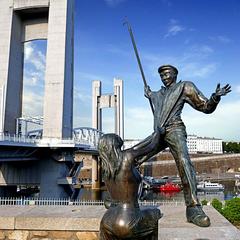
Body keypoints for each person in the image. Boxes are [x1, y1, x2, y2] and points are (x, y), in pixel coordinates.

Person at [144, 64, 231, 227]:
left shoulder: (184, 87)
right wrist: (148, 93)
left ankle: (193, 208)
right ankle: (120, 198)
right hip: (158, 133)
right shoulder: (157, 94)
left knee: (184, 162)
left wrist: (215, 97)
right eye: (161, 75)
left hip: (174, 130)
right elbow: (150, 94)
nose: (164, 77)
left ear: (175, 75)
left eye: (167, 74)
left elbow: (204, 107)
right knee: (131, 158)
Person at [98, 129, 163, 240]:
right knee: (155, 214)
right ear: (114, 144)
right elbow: (152, 147)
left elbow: (137, 147)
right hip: (127, 220)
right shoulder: (127, 157)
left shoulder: (105, 167)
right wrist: (158, 133)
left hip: (107, 220)